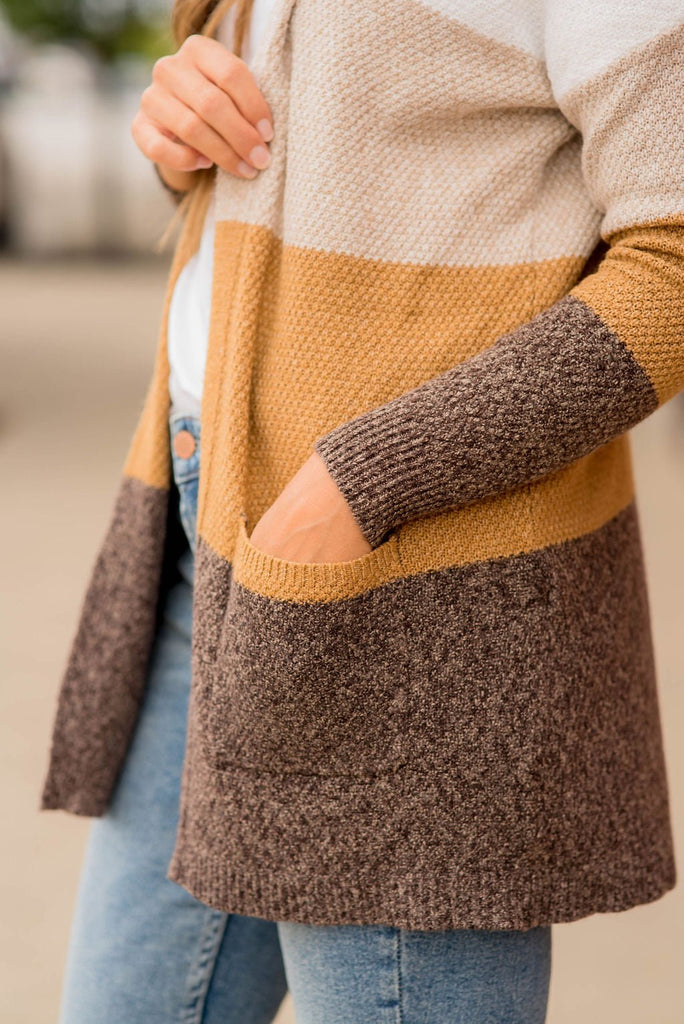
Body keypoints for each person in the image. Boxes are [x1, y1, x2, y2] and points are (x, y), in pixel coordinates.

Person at [43, 1, 683, 1021]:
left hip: (411, 602)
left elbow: (674, 265)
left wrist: (362, 485)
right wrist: (186, 125)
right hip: (205, 540)